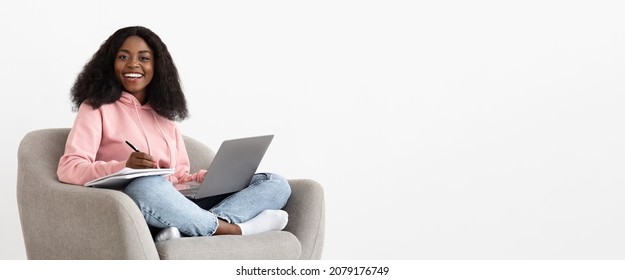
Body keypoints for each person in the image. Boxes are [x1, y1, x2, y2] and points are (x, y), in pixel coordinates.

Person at [57, 26, 291, 241]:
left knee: (275, 183)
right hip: (139, 199)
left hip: (178, 200)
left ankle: (187, 228)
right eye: (123, 56)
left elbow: (178, 177)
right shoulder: (96, 108)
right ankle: (234, 229)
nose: (133, 64)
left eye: (144, 58)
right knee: (145, 185)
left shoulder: (164, 116)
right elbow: (69, 168)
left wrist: (204, 179)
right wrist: (123, 167)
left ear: (157, 66)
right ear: (110, 64)